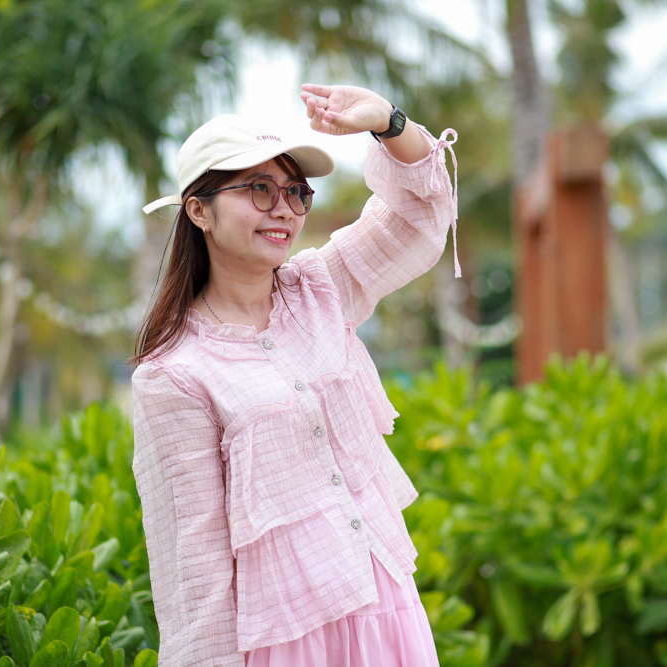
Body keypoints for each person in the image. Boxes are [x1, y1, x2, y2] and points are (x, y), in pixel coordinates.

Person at [128, 82, 460, 666]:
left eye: (295, 192)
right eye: (259, 189)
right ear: (199, 210)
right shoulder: (174, 374)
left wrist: (387, 121)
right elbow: (194, 569)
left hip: (387, 613)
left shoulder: (321, 288)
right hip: (289, 642)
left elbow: (418, 220)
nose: (283, 209)